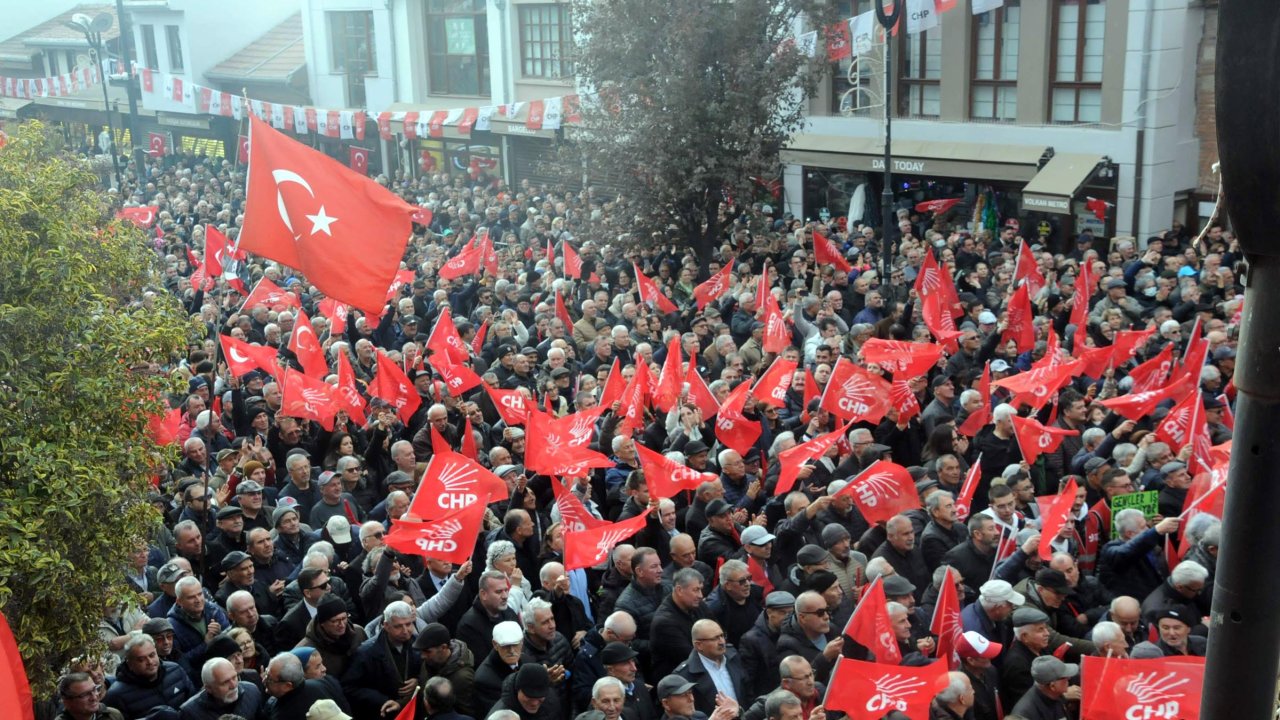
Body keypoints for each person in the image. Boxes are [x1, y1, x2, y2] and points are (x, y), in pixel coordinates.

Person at [341, 601, 421, 719]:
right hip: (381, 713)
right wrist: (382, 700)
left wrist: (418, 681)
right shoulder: (366, 652)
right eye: (398, 626)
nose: (405, 631)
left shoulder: (418, 643)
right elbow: (349, 687)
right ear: (386, 625)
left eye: (408, 624)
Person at [104, 632, 196, 719]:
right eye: (141, 659)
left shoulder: (175, 670)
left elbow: (194, 705)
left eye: (152, 655)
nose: (150, 662)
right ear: (130, 664)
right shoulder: (117, 695)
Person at [674, 620, 748, 717]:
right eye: (715, 638)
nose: (722, 642)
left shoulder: (733, 656)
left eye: (722, 635)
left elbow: (748, 691)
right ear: (699, 645)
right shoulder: (684, 675)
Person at [417, 622, 478, 719]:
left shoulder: (462, 678)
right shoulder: (429, 662)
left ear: (443, 647)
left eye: (427, 651)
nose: (423, 656)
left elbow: (466, 713)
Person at [262, 652, 349, 720]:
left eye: (269, 679)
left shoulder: (282, 715)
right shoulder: (323, 683)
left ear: (287, 686)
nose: (263, 680)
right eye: (266, 672)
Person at [178, 656, 265, 720]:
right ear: (209, 688)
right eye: (225, 682)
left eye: (234, 677)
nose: (233, 685)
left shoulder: (252, 691)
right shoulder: (190, 713)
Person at [1009, 656, 1081, 720]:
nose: (1069, 678)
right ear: (1052, 686)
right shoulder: (1025, 714)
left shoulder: (1055, 695)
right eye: (1065, 677)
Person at [56, 672, 124, 720]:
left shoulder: (113, 715)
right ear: (67, 702)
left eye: (94, 689)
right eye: (84, 694)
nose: (94, 697)